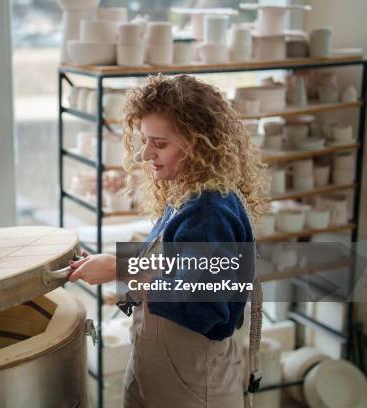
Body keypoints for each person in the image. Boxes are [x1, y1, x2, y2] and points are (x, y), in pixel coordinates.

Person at [68, 74, 269, 408]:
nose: (145, 154)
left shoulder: (209, 213)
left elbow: (203, 307)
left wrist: (119, 268)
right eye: (145, 140)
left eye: (159, 144)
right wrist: (119, 292)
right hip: (158, 369)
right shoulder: (185, 196)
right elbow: (170, 266)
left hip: (192, 385)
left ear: (199, 144)